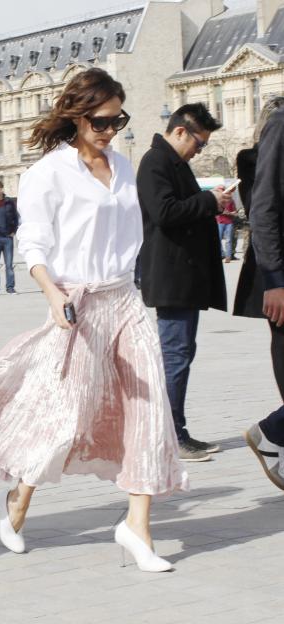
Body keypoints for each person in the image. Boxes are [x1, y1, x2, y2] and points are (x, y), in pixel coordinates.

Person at [0, 68, 187, 573]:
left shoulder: (124, 167)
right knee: (65, 416)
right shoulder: (48, 173)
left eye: (117, 121)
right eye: (100, 121)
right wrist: (52, 294)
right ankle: (17, 500)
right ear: (76, 117)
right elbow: (33, 242)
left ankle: (137, 527)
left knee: (149, 408)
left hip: (124, 299)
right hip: (78, 303)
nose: (110, 130)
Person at [136, 103, 232, 462]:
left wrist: (212, 200)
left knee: (180, 354)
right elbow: (164, 212)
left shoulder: (172, 163)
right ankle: (169, 436)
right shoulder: (155, 162)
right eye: (199, 143)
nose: (199, 151)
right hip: (171, 278)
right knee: (174, 357)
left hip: (182, 277)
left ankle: (175, 431)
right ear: (180, 131)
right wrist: (208, 200)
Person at [241, 97, 284, 491]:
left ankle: (273, 431)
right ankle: (272, 432)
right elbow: (264, 206)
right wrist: (274, 279)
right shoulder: (281, 125)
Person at [216, 197, 237, 263]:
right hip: (220, 222)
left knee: (229, 240)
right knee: (218, 239)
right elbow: (217, 211)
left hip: (229, 223)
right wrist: (226, 212)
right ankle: (222, 254)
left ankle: (228, 257)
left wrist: (229, 213)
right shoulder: (219, 200)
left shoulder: (231, 201)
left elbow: (235, 212)